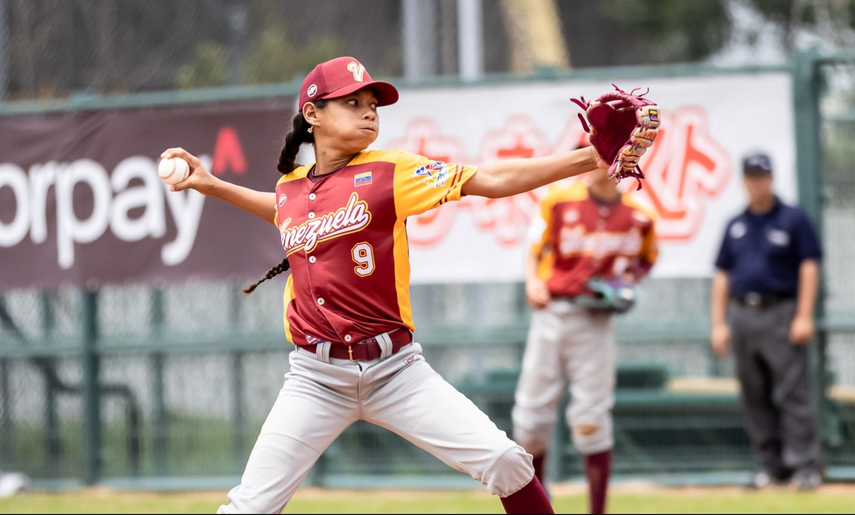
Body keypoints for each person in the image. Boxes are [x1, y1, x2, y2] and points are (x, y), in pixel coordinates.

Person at [161, 56, 610, 514]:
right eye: (351, 102)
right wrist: (212, 185)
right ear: (312, 114)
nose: (368, 111)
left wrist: (591, 157)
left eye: (372, 103)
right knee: (248, 508)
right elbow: (279, 208)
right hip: (315, 379)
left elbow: (489, 179)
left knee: (506, 461)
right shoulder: (290, 189)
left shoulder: (389, 172)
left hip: (395, 372)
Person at [512, 167, 658, 514]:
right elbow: (534, 249)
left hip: (595, 319)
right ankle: (536, 504)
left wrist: (626, 282)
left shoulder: (640, 215)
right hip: (551, 313)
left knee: (592, 417)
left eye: (599, 157)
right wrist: (532, 282)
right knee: (531, 417)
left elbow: (647, 260)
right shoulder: (559, 201)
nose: (592, 166)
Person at [711, 152, 824, 491]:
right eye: (751, 177)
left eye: (762, 176)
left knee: (793, 393)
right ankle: (769, 466)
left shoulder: (792, 219)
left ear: (772, 179)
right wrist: (718, 322)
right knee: (753, 394)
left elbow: (809, 265)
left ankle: (805, 466)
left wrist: (804, 314)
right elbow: (722, 275)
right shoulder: (735, 224)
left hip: (782, 312)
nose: (757, 183)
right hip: (743, 313)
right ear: (744, 181)